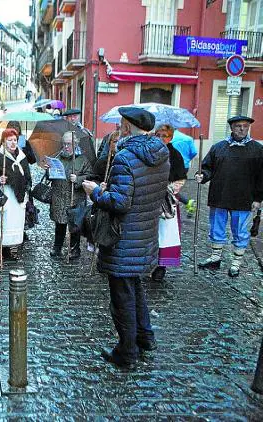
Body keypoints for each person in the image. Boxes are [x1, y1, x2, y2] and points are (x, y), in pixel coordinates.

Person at [82, 107, 169, 369]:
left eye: (121, 124)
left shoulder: (125, 157)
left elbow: (119, 203)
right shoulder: (161, 153)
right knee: (136, 287)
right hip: (145, 235)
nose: (118, 128)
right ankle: (145, 338)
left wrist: (95, 191)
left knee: (122, 296)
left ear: (128, 127)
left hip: (123, 237)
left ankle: (126, 352)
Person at [195, 115, 263, 277]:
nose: (242, 129)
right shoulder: (219, 148)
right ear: (231, 128)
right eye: (238, 126)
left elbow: (262, 176)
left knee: (240, 231)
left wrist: (258, 199)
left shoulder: (257, 149)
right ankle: (215, 258)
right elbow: (207, 167)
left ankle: (235, 263)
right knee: (216, 228)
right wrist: (202, 175)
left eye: (245, 126)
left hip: (244, 198)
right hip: (220, 195)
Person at [151, 123, 188, 282]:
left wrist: (168, 188)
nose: (161, 138)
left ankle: (161, 266)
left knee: (165, 233)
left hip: (167, 201)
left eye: (165, 136)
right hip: (149, 198)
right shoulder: (149, 152)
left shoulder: (175, 155)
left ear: (170, 138)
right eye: (158, 135)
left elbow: (180, 179)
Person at [48, 131, 92, 260]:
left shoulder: (83, 159)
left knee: (74, 224)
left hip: (75, 197)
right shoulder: (58, 157)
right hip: (59, 196)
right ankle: (57, 247)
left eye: (69, 144)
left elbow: (90, 176)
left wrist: (78, 179)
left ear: (75, 144)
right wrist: (48, 170)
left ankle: (74, 249)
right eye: (64, 144)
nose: (66, 147)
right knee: (59, 224)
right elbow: (50, 176)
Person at [0, 129, 31, 260]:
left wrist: (25, 185)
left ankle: (8, 250)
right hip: (5, 192)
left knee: (13, 222)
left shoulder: (21, 156)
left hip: (17, 195)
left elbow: (27, 175)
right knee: (2, 221)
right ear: (3, 141)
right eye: (9, 140)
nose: (13, 143)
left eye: (14, 140)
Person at [171, 130, 198, 217]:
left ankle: (186, 202)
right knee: (172, 188)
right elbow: (194, 152)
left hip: (173, 166)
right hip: (184, 166)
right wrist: (186, 160)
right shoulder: (188, 138)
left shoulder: (168, 139)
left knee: (170, 189)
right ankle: (185, 202)